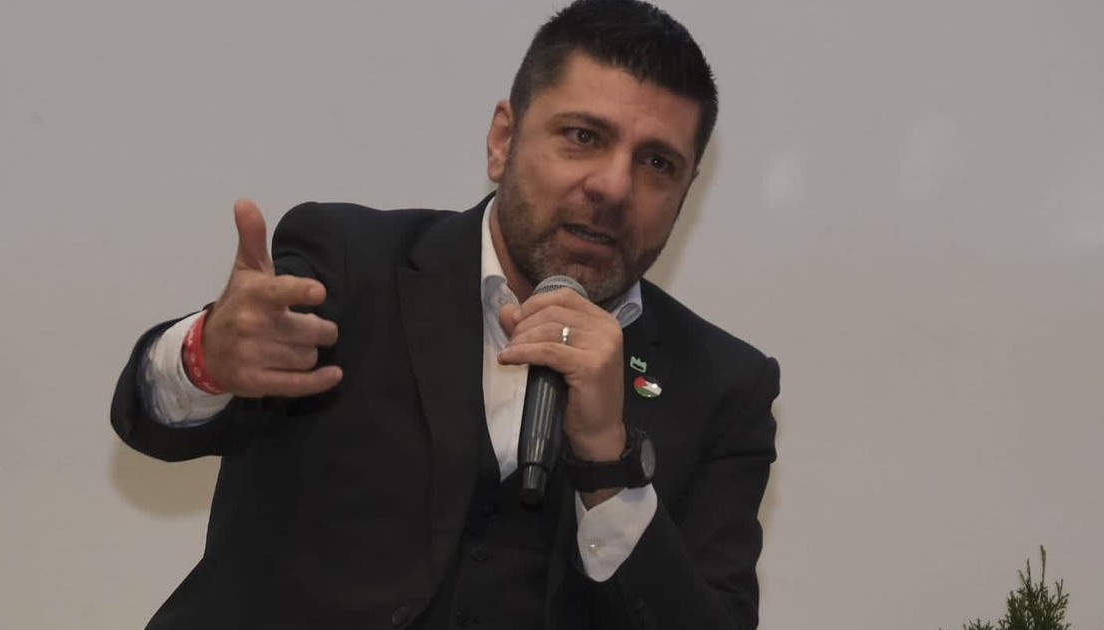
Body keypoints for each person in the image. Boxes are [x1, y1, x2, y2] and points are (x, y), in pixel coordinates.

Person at [110, 1, 779, 628]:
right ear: (503, 140)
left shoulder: (724, 386)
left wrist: (609, 463)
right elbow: (153, 423)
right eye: (583, 136)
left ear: (686, 191)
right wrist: (207, 356)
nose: (613, 186)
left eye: (657, 163)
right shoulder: (351, 263)